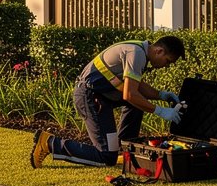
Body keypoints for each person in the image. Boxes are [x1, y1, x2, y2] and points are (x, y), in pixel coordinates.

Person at [30, 35, 186, 168]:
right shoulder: (136, 53)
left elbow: (134, 85)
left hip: (100, 96)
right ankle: (50, 143)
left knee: (137, 105)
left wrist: (161, 95)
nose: (166, 66)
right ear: (159, 51)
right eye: (168, 61)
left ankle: (123, 149)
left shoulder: (139, 50)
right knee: (106, 157)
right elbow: (130, 94)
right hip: (89, 97)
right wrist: (160, 111)